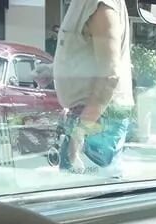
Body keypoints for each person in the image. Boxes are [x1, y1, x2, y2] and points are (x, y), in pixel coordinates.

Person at [53, 0, 134, 175]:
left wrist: (81, 130)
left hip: (97, 119)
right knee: (80, 193)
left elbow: (109, 76)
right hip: (93, 117)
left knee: (83, 195)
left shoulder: (100, 5)